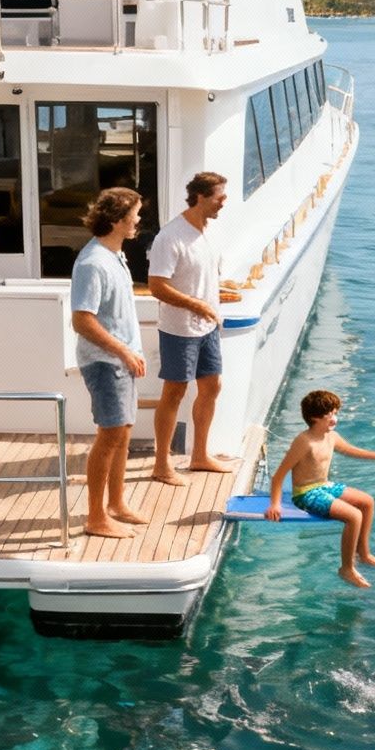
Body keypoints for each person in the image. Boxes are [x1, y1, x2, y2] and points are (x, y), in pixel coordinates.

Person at [70, 187, 152, 539]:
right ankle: (96, 518)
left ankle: (116, 504)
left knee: (124, 433)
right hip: (105, 362)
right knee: (110, 435)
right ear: (117, 221)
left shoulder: (115, 255)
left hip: (122, 359)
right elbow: (82, 320)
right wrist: (122, 351)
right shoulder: (93, 263)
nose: (138, 221)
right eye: (134, 215)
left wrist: (131, 351)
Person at [146, 171, 235, 485]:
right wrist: (197, 304)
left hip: (207, 326)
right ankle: (161, 464)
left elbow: (202, 275)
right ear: (200, 196)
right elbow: (157, 286)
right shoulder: (170, 237)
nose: (223, 204)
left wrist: (217, 294)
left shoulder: (208, 231)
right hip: (179, 328)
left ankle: (199, 456)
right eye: (219, 198)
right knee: (174, 393)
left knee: (212, 387)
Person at [265, 389, 375, 587]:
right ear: (314, 418)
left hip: (325, 486)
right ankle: (346, 568)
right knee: (354, 516)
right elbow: (279, 476)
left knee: (367, 502)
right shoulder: (304, 442)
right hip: (306, 493)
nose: (335, 418)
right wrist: (275, 505)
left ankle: (364, 553)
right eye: (330, 415)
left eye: (335, 413)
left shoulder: (331, 436)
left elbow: (350, 450)